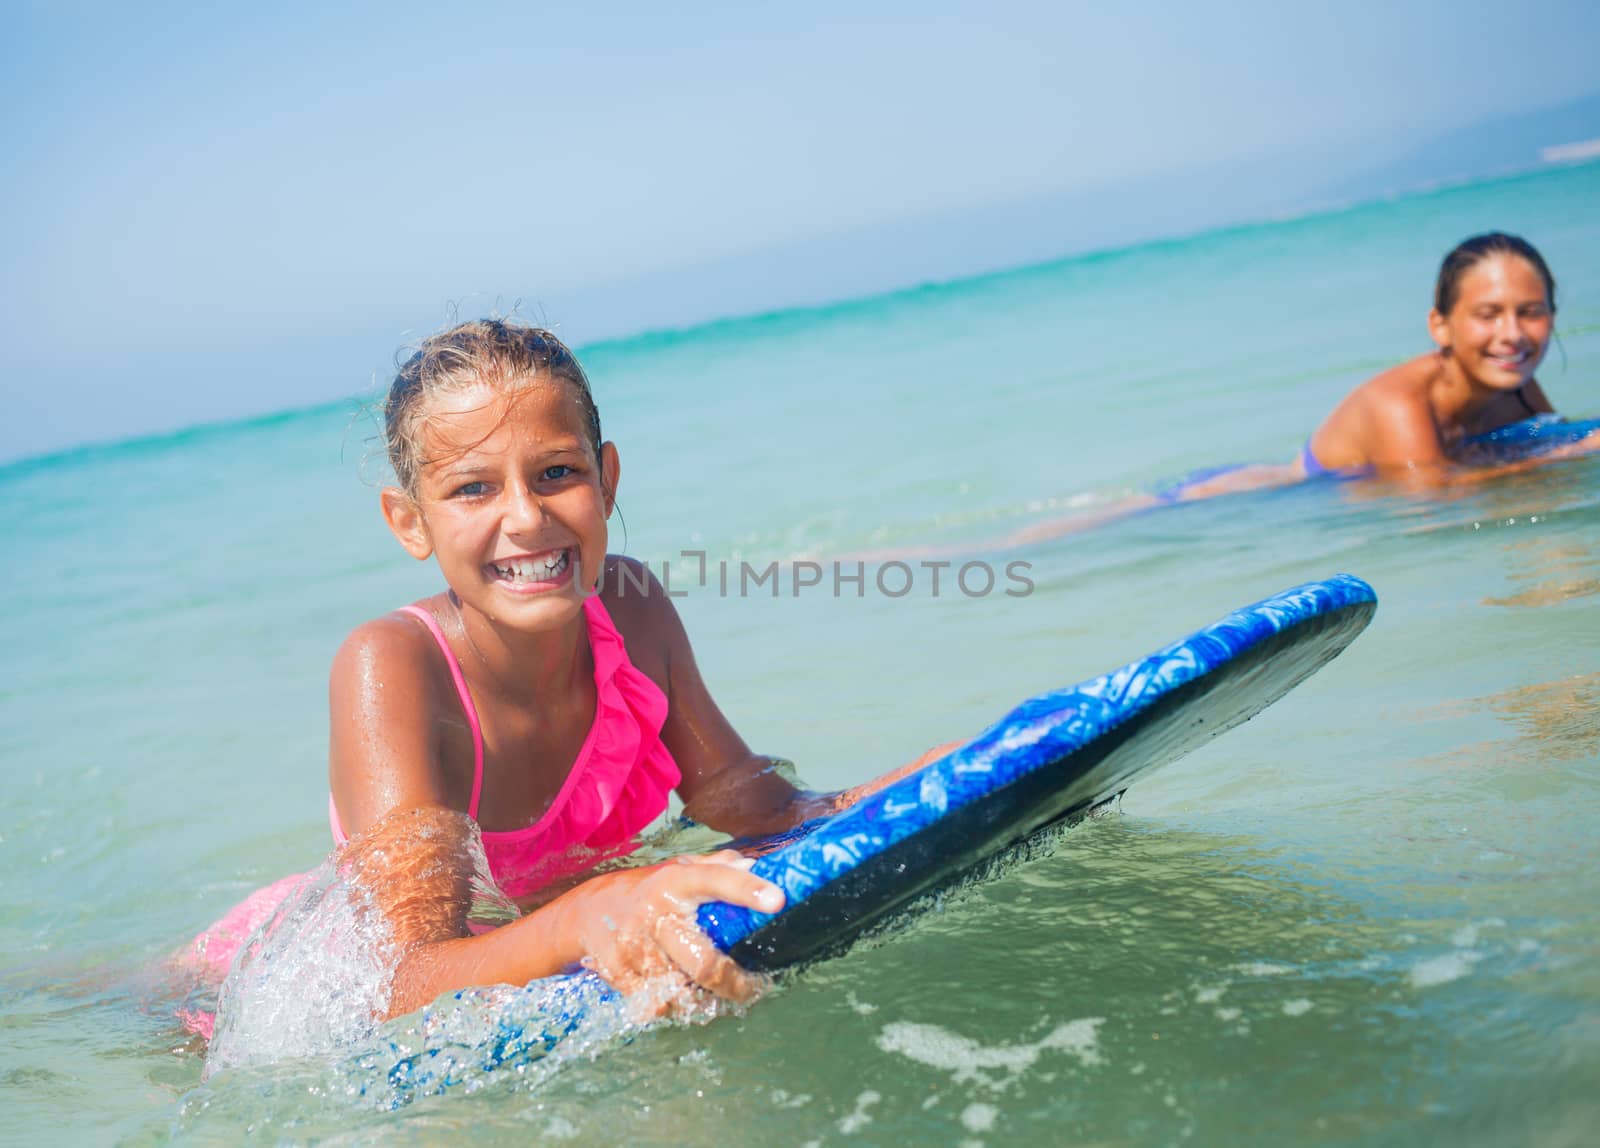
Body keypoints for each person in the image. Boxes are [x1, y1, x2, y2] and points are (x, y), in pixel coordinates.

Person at [183, 319, 949, 1035]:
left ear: (606, 479)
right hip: (261, 981)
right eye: (472, 488)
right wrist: (589, 913)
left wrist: (919, 782)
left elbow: (761, 806)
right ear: (410, 521)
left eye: (556, 472)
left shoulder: (633, 608)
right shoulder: (394, 667)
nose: (525, 517)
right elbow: (400, 983)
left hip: (538, 919)